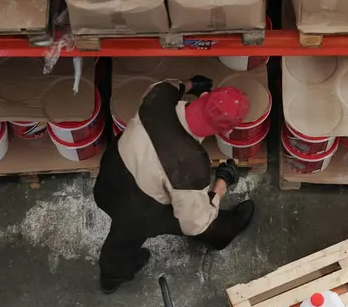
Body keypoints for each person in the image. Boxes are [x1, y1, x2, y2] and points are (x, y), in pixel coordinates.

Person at [93, 76, 256, 294]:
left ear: (204, 96)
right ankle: (224, 234)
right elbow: (193, 224)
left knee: (121, 236)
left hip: (110, 180)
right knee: (206, 218)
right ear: (224, 132)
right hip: (140, 208)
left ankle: (111, 278)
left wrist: (189, 84)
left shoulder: (157, 98)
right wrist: (222, 183)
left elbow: (167, 85)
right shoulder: (190, 164)